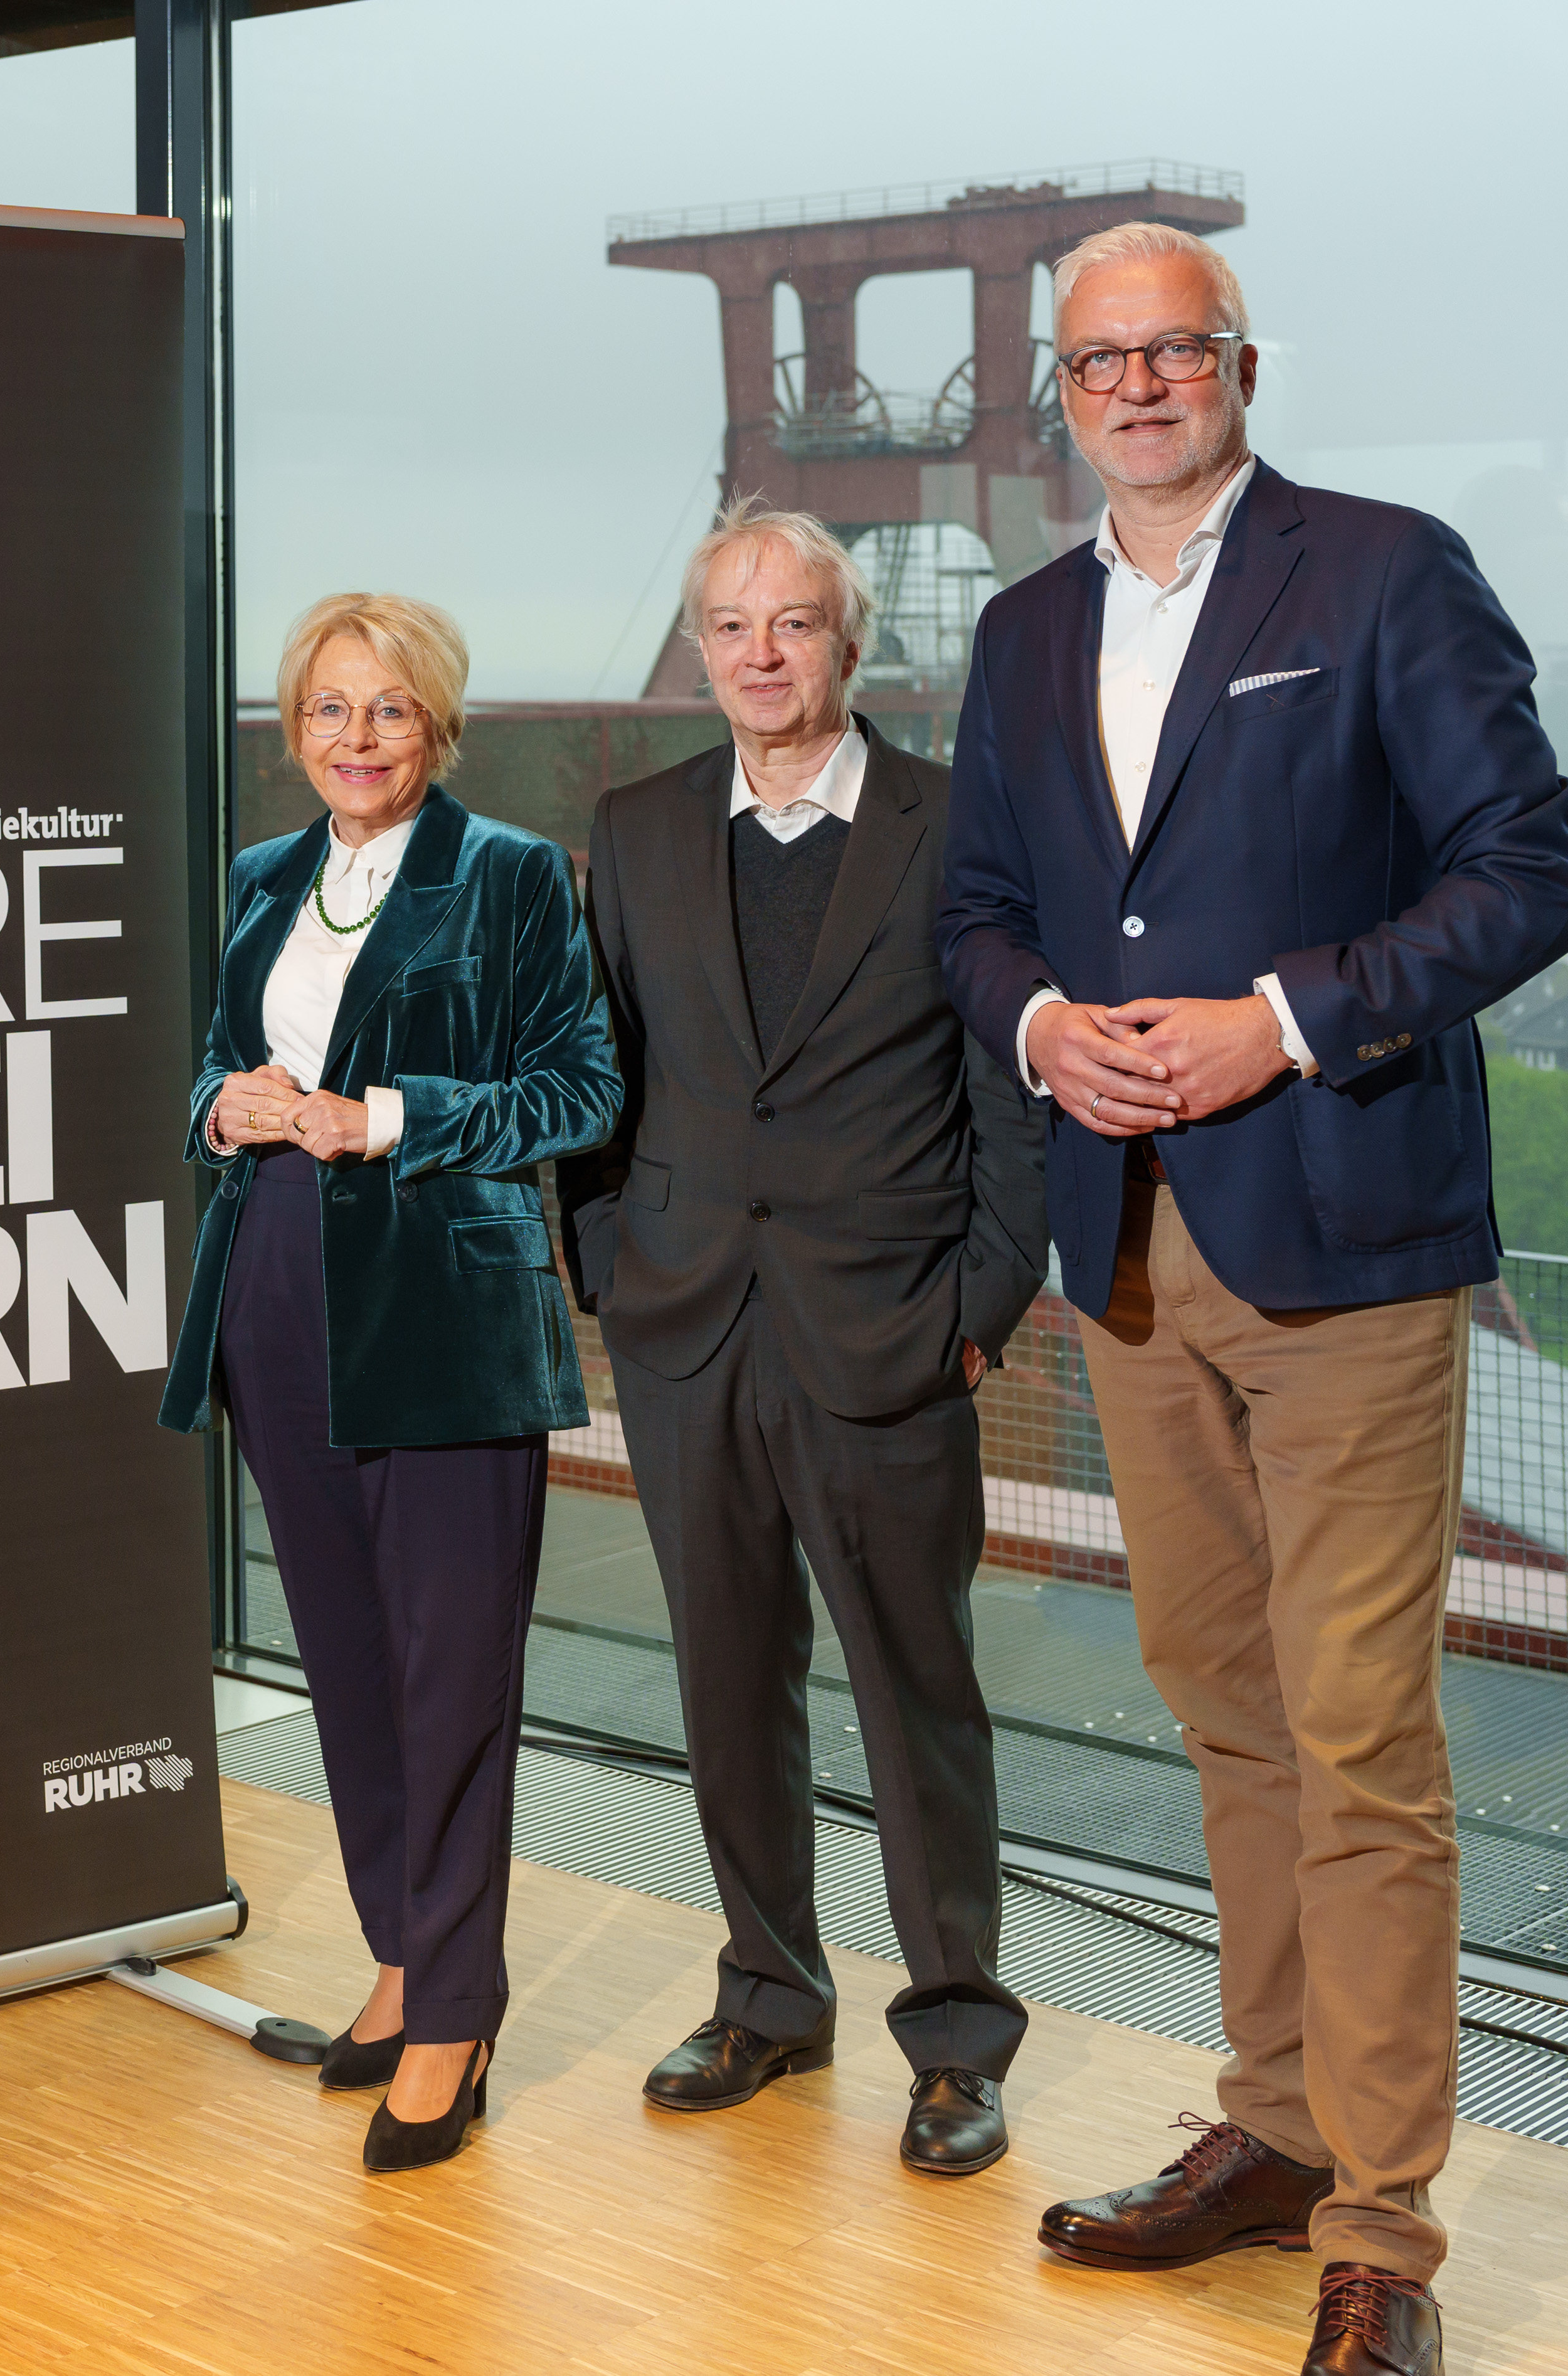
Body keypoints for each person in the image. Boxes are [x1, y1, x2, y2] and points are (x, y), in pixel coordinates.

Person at [940, 223, 1568, 2376]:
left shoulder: (1385, 572)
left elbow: (1528, 866)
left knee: (1358, 1736)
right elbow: (982, 912)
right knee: (1221, 1707)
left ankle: (1384, 2229)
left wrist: (1285, 1018)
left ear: (1241, 363)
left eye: (1175, 348)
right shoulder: (1025, 632)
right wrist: (1041, 1028)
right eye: (1101, 358)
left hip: (1341, 1236)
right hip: (1117, 1249)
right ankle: (1281, 2121)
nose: (1139, 383)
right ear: (1059, 386)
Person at [559, 499, 1049, 2178]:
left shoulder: (957, 818)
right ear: (702, 648)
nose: (759, 651)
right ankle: (770, 1993)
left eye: (791, 622)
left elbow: (1011, 1092)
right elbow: (600, 1075)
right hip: (690, 1333)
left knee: (920, 1694)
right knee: (725, 1686)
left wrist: (979, 1312)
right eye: (729, 624)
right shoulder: (631, 827)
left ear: (850, 644)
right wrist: (612, 1268)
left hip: (888, 1335)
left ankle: (958, 2037)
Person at [161, 592, 620, 2173]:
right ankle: (399, 1957)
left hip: (440, 1306)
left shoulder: (510, 878)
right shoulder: (258, 879)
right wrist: (229, 1109)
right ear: (293, 730)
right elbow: (202, 1063)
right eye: (326, 711)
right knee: (346, 1661)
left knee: (448, 1673)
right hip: (277, 1289)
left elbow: (580, 1086)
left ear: (437, 724)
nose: (354, 740)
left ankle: (458, 2014)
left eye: (386, 711)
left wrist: (387, 1116)